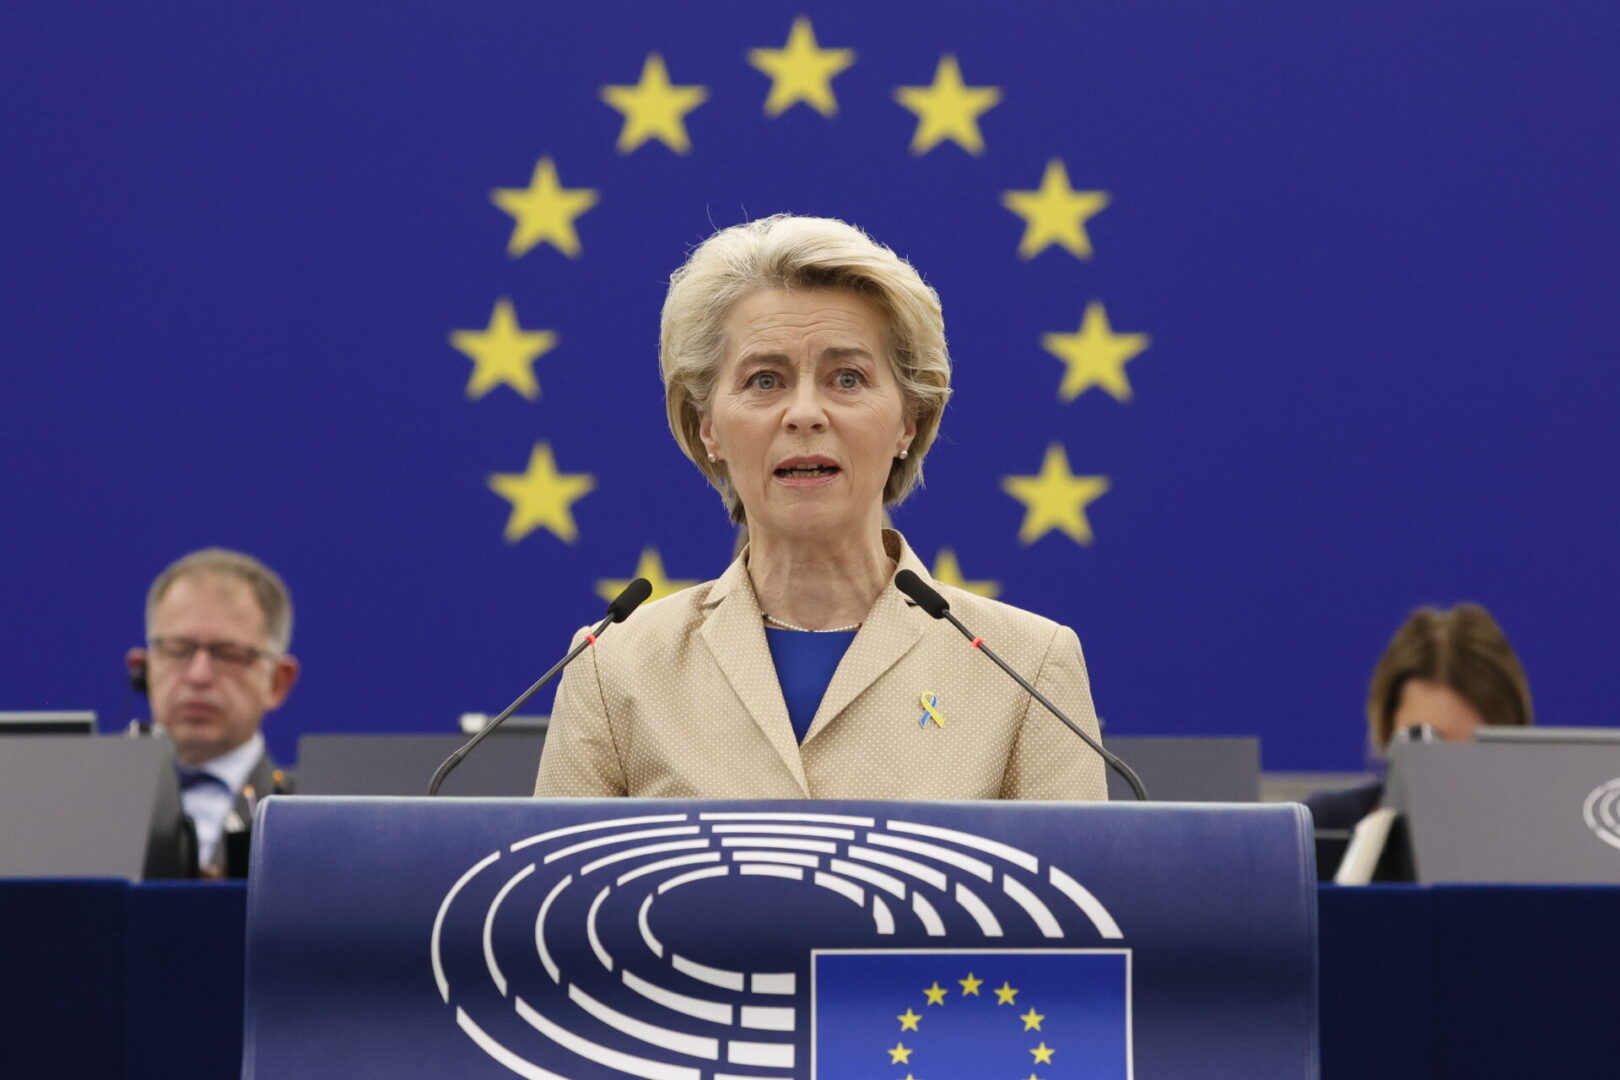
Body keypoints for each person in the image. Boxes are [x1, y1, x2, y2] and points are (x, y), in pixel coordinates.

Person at [535, 214, 1107, 800]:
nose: (805, 413)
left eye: (848, 378)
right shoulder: (616, 669)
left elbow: (1070, 891)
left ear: (908, 421)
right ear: (708, 427)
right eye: (764, 380)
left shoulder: (1026, 669)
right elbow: (558, 891)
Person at [126, 548, 300, 874]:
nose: (199, 676)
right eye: (178, 650)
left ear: (278, 681)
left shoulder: (308, 823)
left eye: (229, 654)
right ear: (143, 667)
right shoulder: (76, 807)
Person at [1305, 603, 1533, 829]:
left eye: (1473, 751)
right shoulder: (1316, 834)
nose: (1450, 774)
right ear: (1386, 728)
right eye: (1424, 740)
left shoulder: (1550, 839)